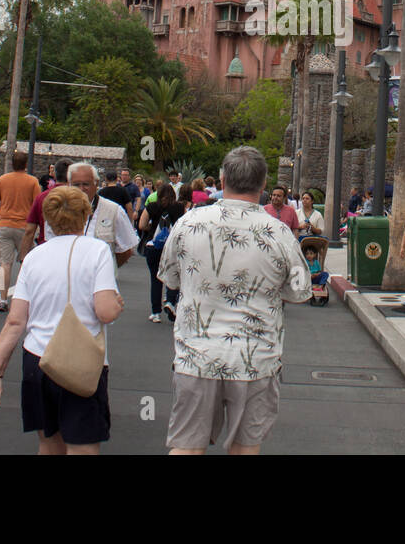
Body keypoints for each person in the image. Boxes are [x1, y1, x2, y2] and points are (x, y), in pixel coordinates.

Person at [158, 146, 310, 455]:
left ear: (223, 178)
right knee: (245, 448)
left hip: (196, 355)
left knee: (186, 446)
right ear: (264, 184)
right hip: (255, 360)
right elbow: (299, 291)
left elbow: (170, 277)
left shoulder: (188, 224)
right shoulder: (280, 233)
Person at [0, 186, 123, 454]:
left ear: (48, 218)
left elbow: (15, 321)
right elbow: (104, 311)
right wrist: (116, 305)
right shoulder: (97, 251)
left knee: (48, 443)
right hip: (81, 360)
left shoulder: (34, 256)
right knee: (82, 446)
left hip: (38, 358)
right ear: (85, 215)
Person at [22, 163, 137, 268]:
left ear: (96, 183)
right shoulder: (58, 208)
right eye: (77, 185)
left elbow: (126, 249)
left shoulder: (114, 211)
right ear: (69, 183)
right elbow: (50, 242)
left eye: (86, 184)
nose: (82, 189)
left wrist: (107, 268)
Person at [0, 151, 41, 312]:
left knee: (5, 263)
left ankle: (2, 299)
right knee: (27, 262)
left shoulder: (3, 179)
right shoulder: (32, 181)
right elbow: (37, 204)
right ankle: (24, 297)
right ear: (26, 164)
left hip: (5, 223)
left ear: (12, 164)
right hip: (24, 226)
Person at [139, 184, 182, 323]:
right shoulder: (179, 207)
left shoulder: (151, 206)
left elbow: (141, 225)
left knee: (155, 278)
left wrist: (150, 228)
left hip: (154, 245)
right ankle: (170, 302)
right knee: (173, 274)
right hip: (172, 246)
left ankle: (155, 312)